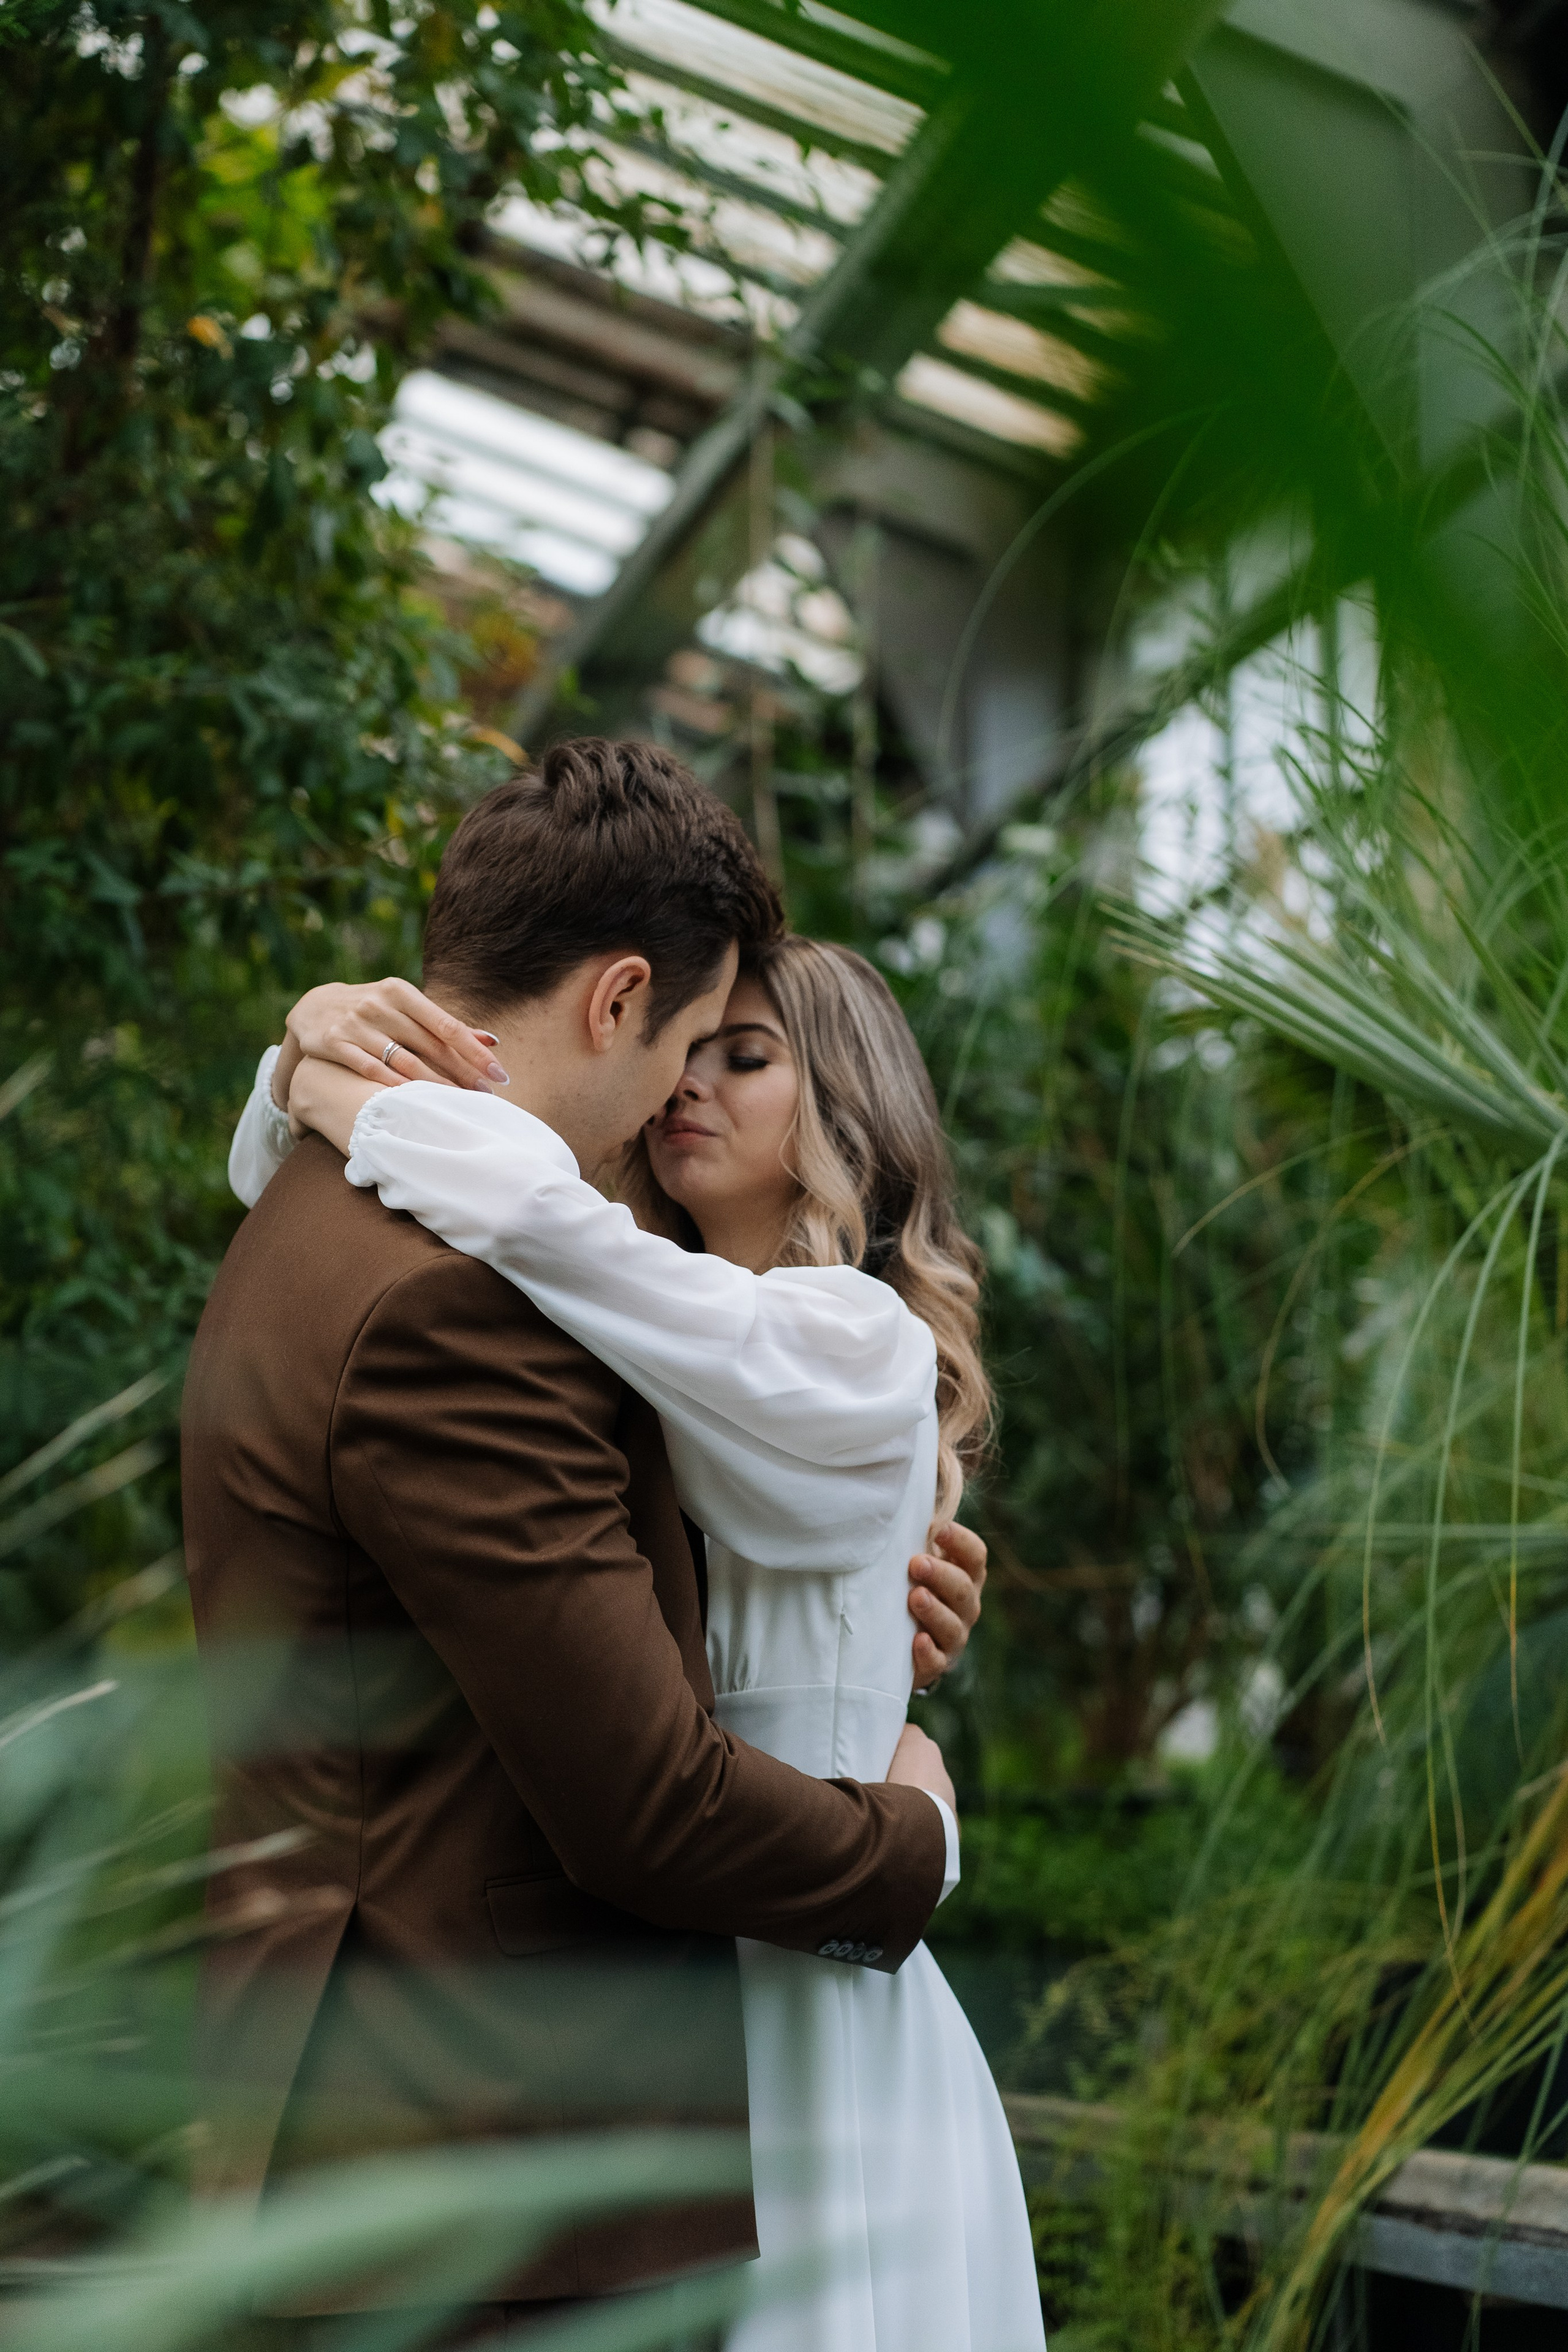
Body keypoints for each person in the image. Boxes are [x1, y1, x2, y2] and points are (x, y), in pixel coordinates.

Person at [184, 739, 989, 2348]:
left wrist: (305, 1073)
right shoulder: (457, 1302)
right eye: (693, 1041)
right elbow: (650, 1805)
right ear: (618, 1000)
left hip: (406, 2125)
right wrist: (914, 1833)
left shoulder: (316, 1210)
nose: (677, 1096)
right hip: (484, 2157)